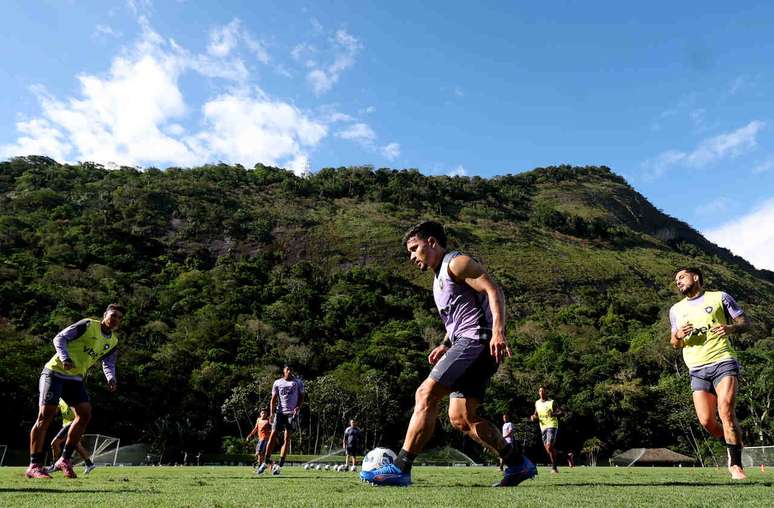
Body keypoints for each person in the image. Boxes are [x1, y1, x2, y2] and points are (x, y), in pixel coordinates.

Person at [361, 221, 536, 487]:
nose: (411, 256)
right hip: (468, 342)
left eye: (414, 248)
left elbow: (493, 290)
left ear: (432, 242)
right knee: (462, 419)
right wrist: (445, 342)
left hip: (476, 340)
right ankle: (517, 463)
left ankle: (400, 468)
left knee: (425, 394)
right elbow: (457, 317)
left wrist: (499, 331)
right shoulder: (438, 278)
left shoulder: (457, 263)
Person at [670, 266, 750, 480]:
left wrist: (730, 328)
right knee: (706, 421)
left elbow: (745, 322)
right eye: (676, 279)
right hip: (696, 369)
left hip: (723, 360)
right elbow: (674, 343)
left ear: (695, 277)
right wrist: (678, 334)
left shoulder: (720, 297)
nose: (678, 281)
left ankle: (736, 465)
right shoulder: (676, 310)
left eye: (681, 277)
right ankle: (732, 442)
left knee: (725, 411)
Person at [25, 304, 124, 479]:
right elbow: (59, 338)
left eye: (119, 317)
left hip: (75, 378)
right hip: (54, 373)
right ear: (105, 315)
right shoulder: (87, 325)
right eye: (113, 315)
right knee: (45, 416)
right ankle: (34, 465)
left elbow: (108, 362)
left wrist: (111, 378)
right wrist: (65, 358)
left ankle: (64, 459)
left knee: (85, 414)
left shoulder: (113, 341)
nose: (115, 319)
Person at [256, 365, 305, 476]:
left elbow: (302, 396)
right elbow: (273, 399)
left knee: (287, 438)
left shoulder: (298, 383)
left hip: (291, 414)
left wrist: (298, 407)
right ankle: (266, 460)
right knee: (273, 434)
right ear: (284, 371)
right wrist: (272, 413)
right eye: (288, 369)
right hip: (280, 413)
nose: (290, 371)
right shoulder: (277, 383)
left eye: (291, 370)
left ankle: (280, 463)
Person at [47, 399, 96, 475]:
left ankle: (55, 465)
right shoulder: (60, 399)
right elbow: (56, 411)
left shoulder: (69, 398)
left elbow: (78, 415)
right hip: (66, 424)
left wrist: (76, 426)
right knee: (77, 445)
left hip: (71, 425)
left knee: (55, 443)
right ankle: (89, 464)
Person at [530, 386, 561, 473]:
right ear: (538, 393)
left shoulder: (552, 402)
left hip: (552, 425)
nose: (542, 392)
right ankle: (566, 456)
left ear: (546, 392)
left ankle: (554, 468)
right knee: (548, 449)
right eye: (540, 391)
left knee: (549, 446)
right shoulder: (537, 403)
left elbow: (561, 412)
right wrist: (533, 417)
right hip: (542, 427)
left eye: (543, 391)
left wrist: (554, 414)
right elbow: (536, 414)